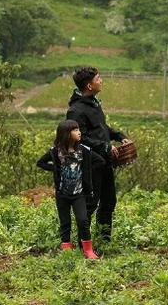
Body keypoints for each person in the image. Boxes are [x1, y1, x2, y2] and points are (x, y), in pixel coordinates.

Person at [66, 66, 130, 241]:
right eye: (98, 78)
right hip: (89, 164)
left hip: (104, 161)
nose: (101, 81)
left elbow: (102, 129)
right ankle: (83, 241)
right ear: (88, 85)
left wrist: (118, 136)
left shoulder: (94, 104)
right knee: (90, 204)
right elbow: (80, 139)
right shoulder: (76, 110)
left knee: (109, 202)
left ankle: (104, 240)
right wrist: (105, 147)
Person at [37, 120, 105, 259]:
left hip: (79, 194)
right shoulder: (56, 151)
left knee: (82, 220)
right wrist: (56, 169)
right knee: (65, 222)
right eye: (75, 130)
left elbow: (100, 161)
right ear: (66, 134)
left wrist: (85, 171)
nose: (79, 132)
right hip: (62, 193)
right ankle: (67, 248)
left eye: (78, 129)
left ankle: (88, 250)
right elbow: (41, 163)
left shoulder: (84, 150)